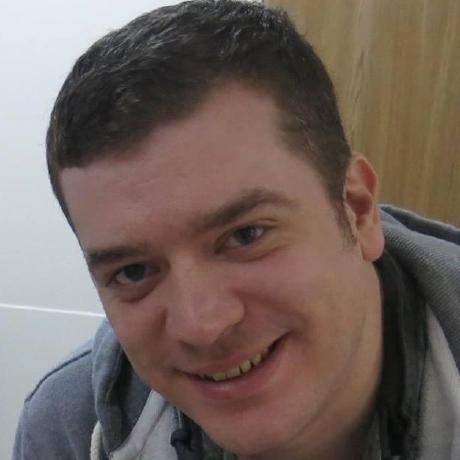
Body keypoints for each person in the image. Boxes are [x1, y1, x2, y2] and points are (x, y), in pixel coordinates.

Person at [13, 1, 460, 459]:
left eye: (246, 235)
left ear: (357, 211)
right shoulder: (67, 430)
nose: (201, 326)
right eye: (133, 272)